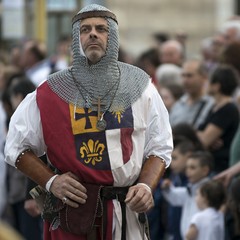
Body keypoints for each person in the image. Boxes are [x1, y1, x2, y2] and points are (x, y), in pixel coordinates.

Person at [4, 4, 173, 240]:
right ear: (76, 38)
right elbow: (16, 148)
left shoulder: (141, 87)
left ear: (112, 36)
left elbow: (160, 145)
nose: (93, 34)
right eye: (85, 29)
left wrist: (145, 186)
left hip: (126, 213)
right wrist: (51, 181)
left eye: (101, 29)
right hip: (73, 213)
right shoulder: (48, 92)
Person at [197, 64, 239, 173]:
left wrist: (200, 135)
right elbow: (199, 134)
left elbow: (203, 141)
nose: (205, 84)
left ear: (217, 86)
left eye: (209, 81)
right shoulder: (214, 107)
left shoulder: (228, 109)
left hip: (219, 167)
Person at [161, 151, 213, 239]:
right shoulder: (189, 190)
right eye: (187, 168)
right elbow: (175, 197)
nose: (188, 171)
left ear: (205, 170)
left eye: (192, 168)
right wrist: (167, 188)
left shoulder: (211, 192)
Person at [169, 59, 214, 129]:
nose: (185, 81)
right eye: (183, 76)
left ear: (204, 78)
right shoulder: (178, 104)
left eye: (189, 76)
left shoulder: (212, 104)